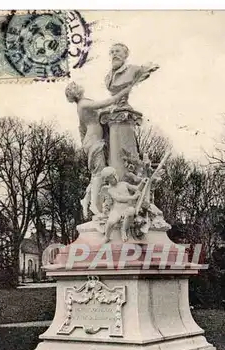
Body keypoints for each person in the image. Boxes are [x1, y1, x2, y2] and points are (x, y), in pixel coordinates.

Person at [65, 81, 131, 217]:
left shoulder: (80, 106)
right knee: (99, 174)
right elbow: (107, 102)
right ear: (77, 91)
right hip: (94, 141)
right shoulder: (83, 104)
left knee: (97, 174)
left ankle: (86, 200)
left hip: (92, 141)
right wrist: (125, 91)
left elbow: (82, 128)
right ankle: (93, 205)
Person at [105, 43, 159, 108]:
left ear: (125, 55)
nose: (114, 54)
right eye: (112, 52)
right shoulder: (107, 77)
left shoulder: (133, 70)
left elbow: (146, 69)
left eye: (117, 51)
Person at [100, 166, 143, 242]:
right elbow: (119, 198)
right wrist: (133, 197)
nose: (113, 179)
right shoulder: (110, 189)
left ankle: (123, 230)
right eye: (111, 178)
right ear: (108, 180)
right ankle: (107, 236)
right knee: (111, 222)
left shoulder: (124, 184)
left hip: (126, 208)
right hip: (117, 210)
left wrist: (143, 183)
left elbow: (137, 188)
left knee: (131, 211)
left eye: (113, 177)